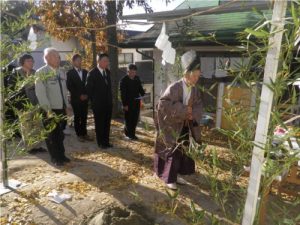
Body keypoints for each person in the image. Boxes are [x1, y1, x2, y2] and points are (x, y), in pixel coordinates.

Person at [154, 50, 203, 190]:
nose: (196, 79)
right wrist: (183, 110)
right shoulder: (175, 87)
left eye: (198, 76)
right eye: (195, 76)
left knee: (182, 151)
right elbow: (163, 104)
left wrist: (192, 113)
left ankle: (177, 175)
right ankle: (169, 178)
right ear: (187, 74)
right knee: (173, 151)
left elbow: (199, 105)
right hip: (172, 126)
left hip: (185, 126)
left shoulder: (195, 90)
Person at [35, 47, 71, 166]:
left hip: (61, 107)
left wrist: (67, 105)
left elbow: (64, 91)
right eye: (55, 56)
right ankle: (55, 158)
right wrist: (48, 110)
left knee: (60, 134)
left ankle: (62, 155)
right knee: (52, 135)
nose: (58, 58)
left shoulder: (61, 71)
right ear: (47, 58)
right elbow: (41, 93)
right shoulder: (41, 72)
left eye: (58, 56)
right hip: (49, 109)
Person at [6, 53, 46, 153]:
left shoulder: (35, 73)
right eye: (29, 61)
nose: (31, 63)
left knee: (37, 126)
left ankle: (37, 146)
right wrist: (18, 106)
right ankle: (30, 147)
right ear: (22, 62)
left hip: (35, 104)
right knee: (27, 127)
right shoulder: (16, 73)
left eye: (32, 61)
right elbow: (12, 91)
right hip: (23, 106)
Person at [86, 53, 113, 149]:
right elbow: (88, 89)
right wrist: (92, 102)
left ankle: (106, 142)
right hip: (98, 104)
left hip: (108, 103)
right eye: (105, 61)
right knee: (100, 124)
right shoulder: (92, 73)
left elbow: (108, 88)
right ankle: (100, 143)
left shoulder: (108, 72)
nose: (107, 63)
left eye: (107, 61)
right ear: (99, 61)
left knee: (107, 124)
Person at [66, 54, 91, 142]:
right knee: (77, 116)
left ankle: (85, 133)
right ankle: (79, 134)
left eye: (80, 60)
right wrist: (79, 95)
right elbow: (69, 86)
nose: (79, 62)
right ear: (73, 62)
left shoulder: (85, 72)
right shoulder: (69, 73)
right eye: (77, 60)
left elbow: (89, 85)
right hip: (76, 98)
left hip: (85, 98)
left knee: (84, 116)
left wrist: (86, 94)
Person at [120, 64, 145, 140]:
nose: (133, 74)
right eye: (131, 72)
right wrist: (125, 105)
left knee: (135, 119)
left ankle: (132, 133)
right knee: (128, 119)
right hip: (127, 103)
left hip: (136, 102)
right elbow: (123, 94)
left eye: (134, 72)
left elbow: (140, 89)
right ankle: (129, 134)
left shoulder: (137, 78)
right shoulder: (124, 80)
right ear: (128, 71)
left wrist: (143, 93)